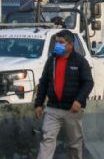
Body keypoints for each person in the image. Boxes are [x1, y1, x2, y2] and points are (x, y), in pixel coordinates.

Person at [34, 30, 94, 159]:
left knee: (74, 144)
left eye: (61, 42)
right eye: (56, 42)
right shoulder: (51, 61)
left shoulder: (80, 61)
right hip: (52, 109)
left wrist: (79, 101)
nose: (57, 45)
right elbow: (43, 82)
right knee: (47, 139)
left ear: (70, 45)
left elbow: (88, 83)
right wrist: (38, 104)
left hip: (72, 110)